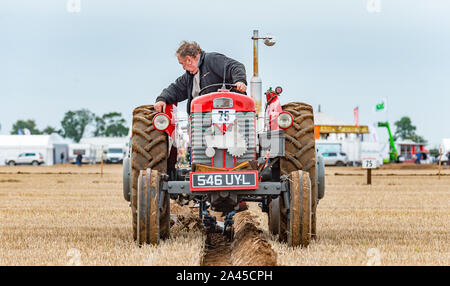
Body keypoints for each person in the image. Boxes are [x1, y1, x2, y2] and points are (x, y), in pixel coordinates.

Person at [154, 41, 247, 114]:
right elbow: (176, 88)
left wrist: (240, 81)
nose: (183, 67)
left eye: (182, 63)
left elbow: (235, 67)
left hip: (227, 115)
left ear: (189, 60)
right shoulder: (189, 76)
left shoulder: (212, 59)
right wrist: (162, 99)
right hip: (201, 121)